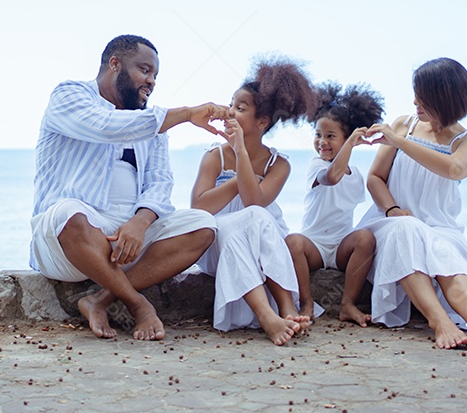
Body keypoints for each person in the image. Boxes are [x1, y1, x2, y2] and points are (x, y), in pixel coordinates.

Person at [29, 34, 228, 341]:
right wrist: (187, 114)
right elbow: (105, 126)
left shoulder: (154, 122)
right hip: (70, 243)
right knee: (68, 213)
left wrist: (140, 221)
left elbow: (160, 184)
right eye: (144, 70)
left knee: (203, 225)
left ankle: (100, 299)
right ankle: (138, 304)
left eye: (155, 75)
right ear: (114, 64)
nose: (151, 81)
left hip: (127, 243)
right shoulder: (69, 96)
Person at [359, 57, 467, 351]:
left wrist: (400, 143)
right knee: (405, 228)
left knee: (447, 255)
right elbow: (375, 178)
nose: (415, 101)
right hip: (388, 223)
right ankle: (440, 322)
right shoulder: (404, 125)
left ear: (445, 98)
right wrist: (392, 209)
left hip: (440, 228)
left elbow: (455, 169)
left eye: (423, 96)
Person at [190, 56, 316, 345]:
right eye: (231, 104)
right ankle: (269, 314)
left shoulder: (278, 164)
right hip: (216, 244)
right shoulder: (215, 156)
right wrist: (237, 171)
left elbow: (254, 202)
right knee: (236, 226)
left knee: (258, 217)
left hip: (262, 242)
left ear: (261, 122)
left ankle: (284, 308)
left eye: (240, 108)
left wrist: (242, 155)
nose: (230, 112)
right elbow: (199, 208)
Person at [285, 82, 384, 326]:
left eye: (330, 136)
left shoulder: (357, 175)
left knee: (365, 239)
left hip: (341, 245)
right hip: (314, 245)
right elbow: (332, 178)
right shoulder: (316, 166)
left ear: (346, 137)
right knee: (292, 241)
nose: (322, 142)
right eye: (318, 135)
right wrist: (350, 143)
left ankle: (347, 305)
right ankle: (306, 302)